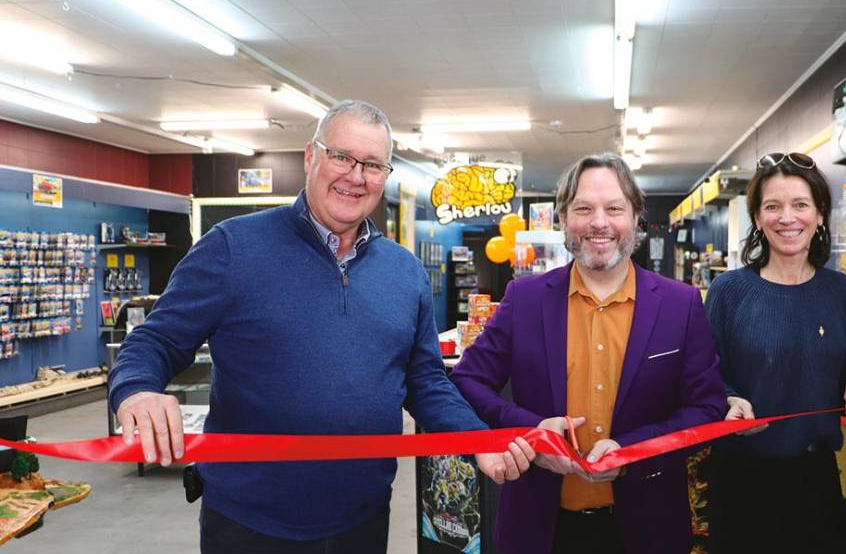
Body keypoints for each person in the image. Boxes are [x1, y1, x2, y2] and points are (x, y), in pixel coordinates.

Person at [108, 100, 530, 553]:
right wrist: (137, 388)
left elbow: (425, 381)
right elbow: (157, 339)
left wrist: (477, 438)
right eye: (342, 156)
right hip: (249, 524)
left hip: (362, 520)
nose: (355, 176)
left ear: (384, 177)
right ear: (311, 157)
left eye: (371, 164)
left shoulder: (404, 272)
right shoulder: (234, 248)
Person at [450, 153, 727, 554]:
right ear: (564, 218)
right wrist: (533, 432)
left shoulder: (679, 304)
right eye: (583, 208)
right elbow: (467, 381)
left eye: (614, 208)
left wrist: (634, 449)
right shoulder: (524, 299)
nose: (599, 223)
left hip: (649, 526)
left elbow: (706, 404)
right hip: (539, 528)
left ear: (635, 217)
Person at [704, 151, 846, 553]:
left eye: (800, 205)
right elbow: (706, 375)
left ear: (820, 215)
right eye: (773, 206)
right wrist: (728, 400)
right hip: (743, 480)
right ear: (757, 217)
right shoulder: (729, 292)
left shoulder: (840, 291)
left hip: (818, 477)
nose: (788, 218)